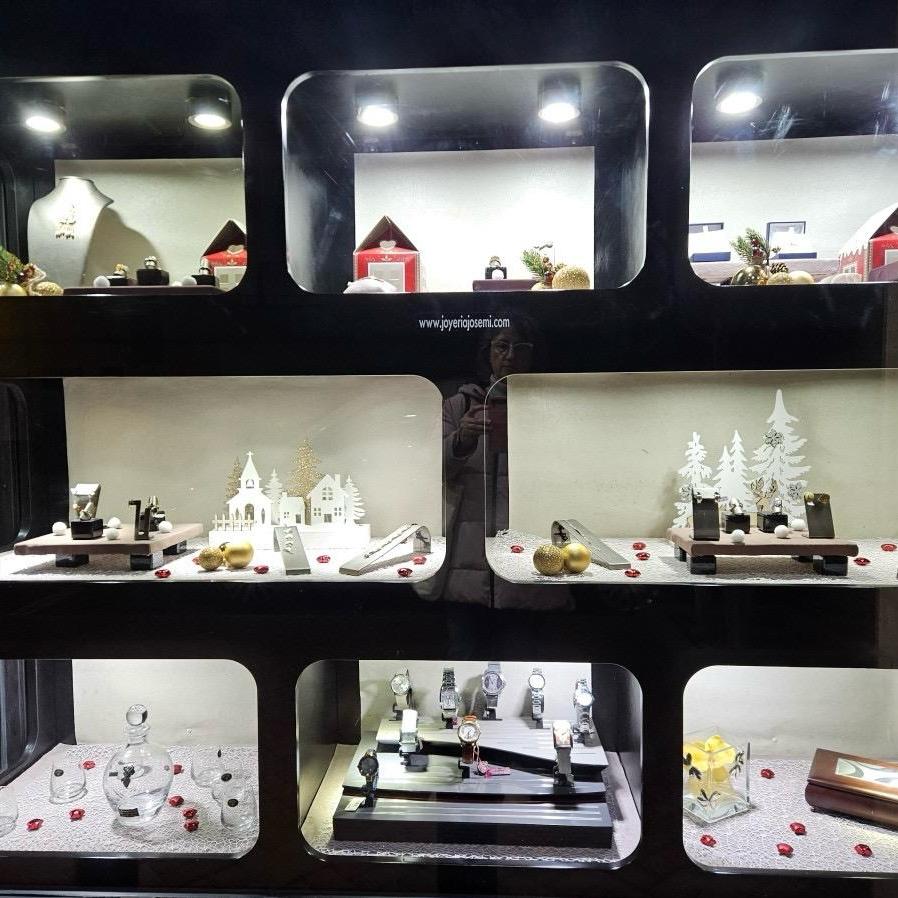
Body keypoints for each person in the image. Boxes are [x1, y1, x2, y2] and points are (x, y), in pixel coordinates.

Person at [435, 316, 571, 610]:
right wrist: (461, 441)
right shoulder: (460, 405)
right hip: (467, 565)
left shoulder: (552, 407)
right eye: (501, 346)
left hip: (531, 557)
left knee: (526, 638)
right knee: (464, 637)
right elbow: (431, 473)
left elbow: (570, 474)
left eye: (521, 347)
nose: (510, 356)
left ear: (533, 354)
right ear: (487, 352)